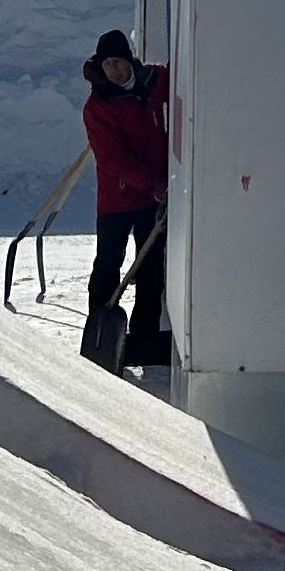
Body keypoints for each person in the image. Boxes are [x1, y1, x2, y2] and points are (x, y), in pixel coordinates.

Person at [79, 29, 169, 370]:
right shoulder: (97, 106)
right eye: (107, 65)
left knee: (151, 270)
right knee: (108, 265)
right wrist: (152, 183)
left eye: (118, 62)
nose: (114, 71)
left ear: (130, 60)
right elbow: (112, 158)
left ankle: (143, 339)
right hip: (118, 199)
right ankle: (99, 334)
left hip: (152, 198)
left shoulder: (157, 83)